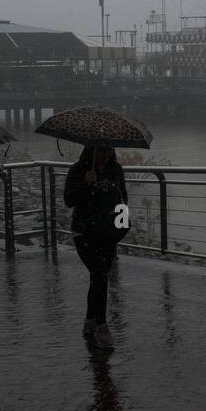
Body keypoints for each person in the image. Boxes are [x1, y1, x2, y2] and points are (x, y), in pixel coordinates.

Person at [64, 144, 128, 350]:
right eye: (100, 150)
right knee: (100, 274)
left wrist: (121, 225)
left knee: (98, 277)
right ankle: (102, 325)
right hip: (84, 232)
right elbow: (69, 200)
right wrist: (85, 183)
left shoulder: (115, 170)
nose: (105, 154)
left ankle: (90, 319)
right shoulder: (78, 170)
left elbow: (123, 198)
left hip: (107, 232)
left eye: (108, 150)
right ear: (90, 150)